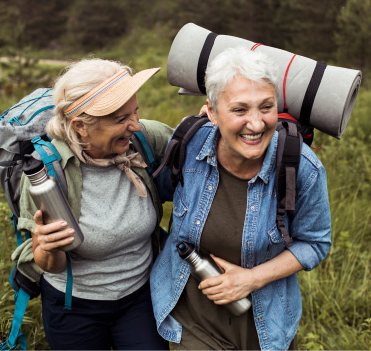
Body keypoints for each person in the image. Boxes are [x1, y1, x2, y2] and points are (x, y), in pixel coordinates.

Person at [150, 46, 331, 350]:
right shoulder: (188, 147)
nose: (257, 124)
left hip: (267, 326)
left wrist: (251, 279)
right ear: (210, 111)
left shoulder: (301, 167)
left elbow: (315, 242)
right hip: (192, 323)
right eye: (240, 110)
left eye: (266, 107)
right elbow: (155, 197)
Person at [19, 58, 172, 350]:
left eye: (135, 111)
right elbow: (50, 264)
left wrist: (213, 122)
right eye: (120, 119)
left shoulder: (144, 140)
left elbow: (199, 149)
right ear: (81, 126)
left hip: (140, 297)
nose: (135, 125)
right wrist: (46, 247)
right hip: (74, 307)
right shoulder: (48, 174)